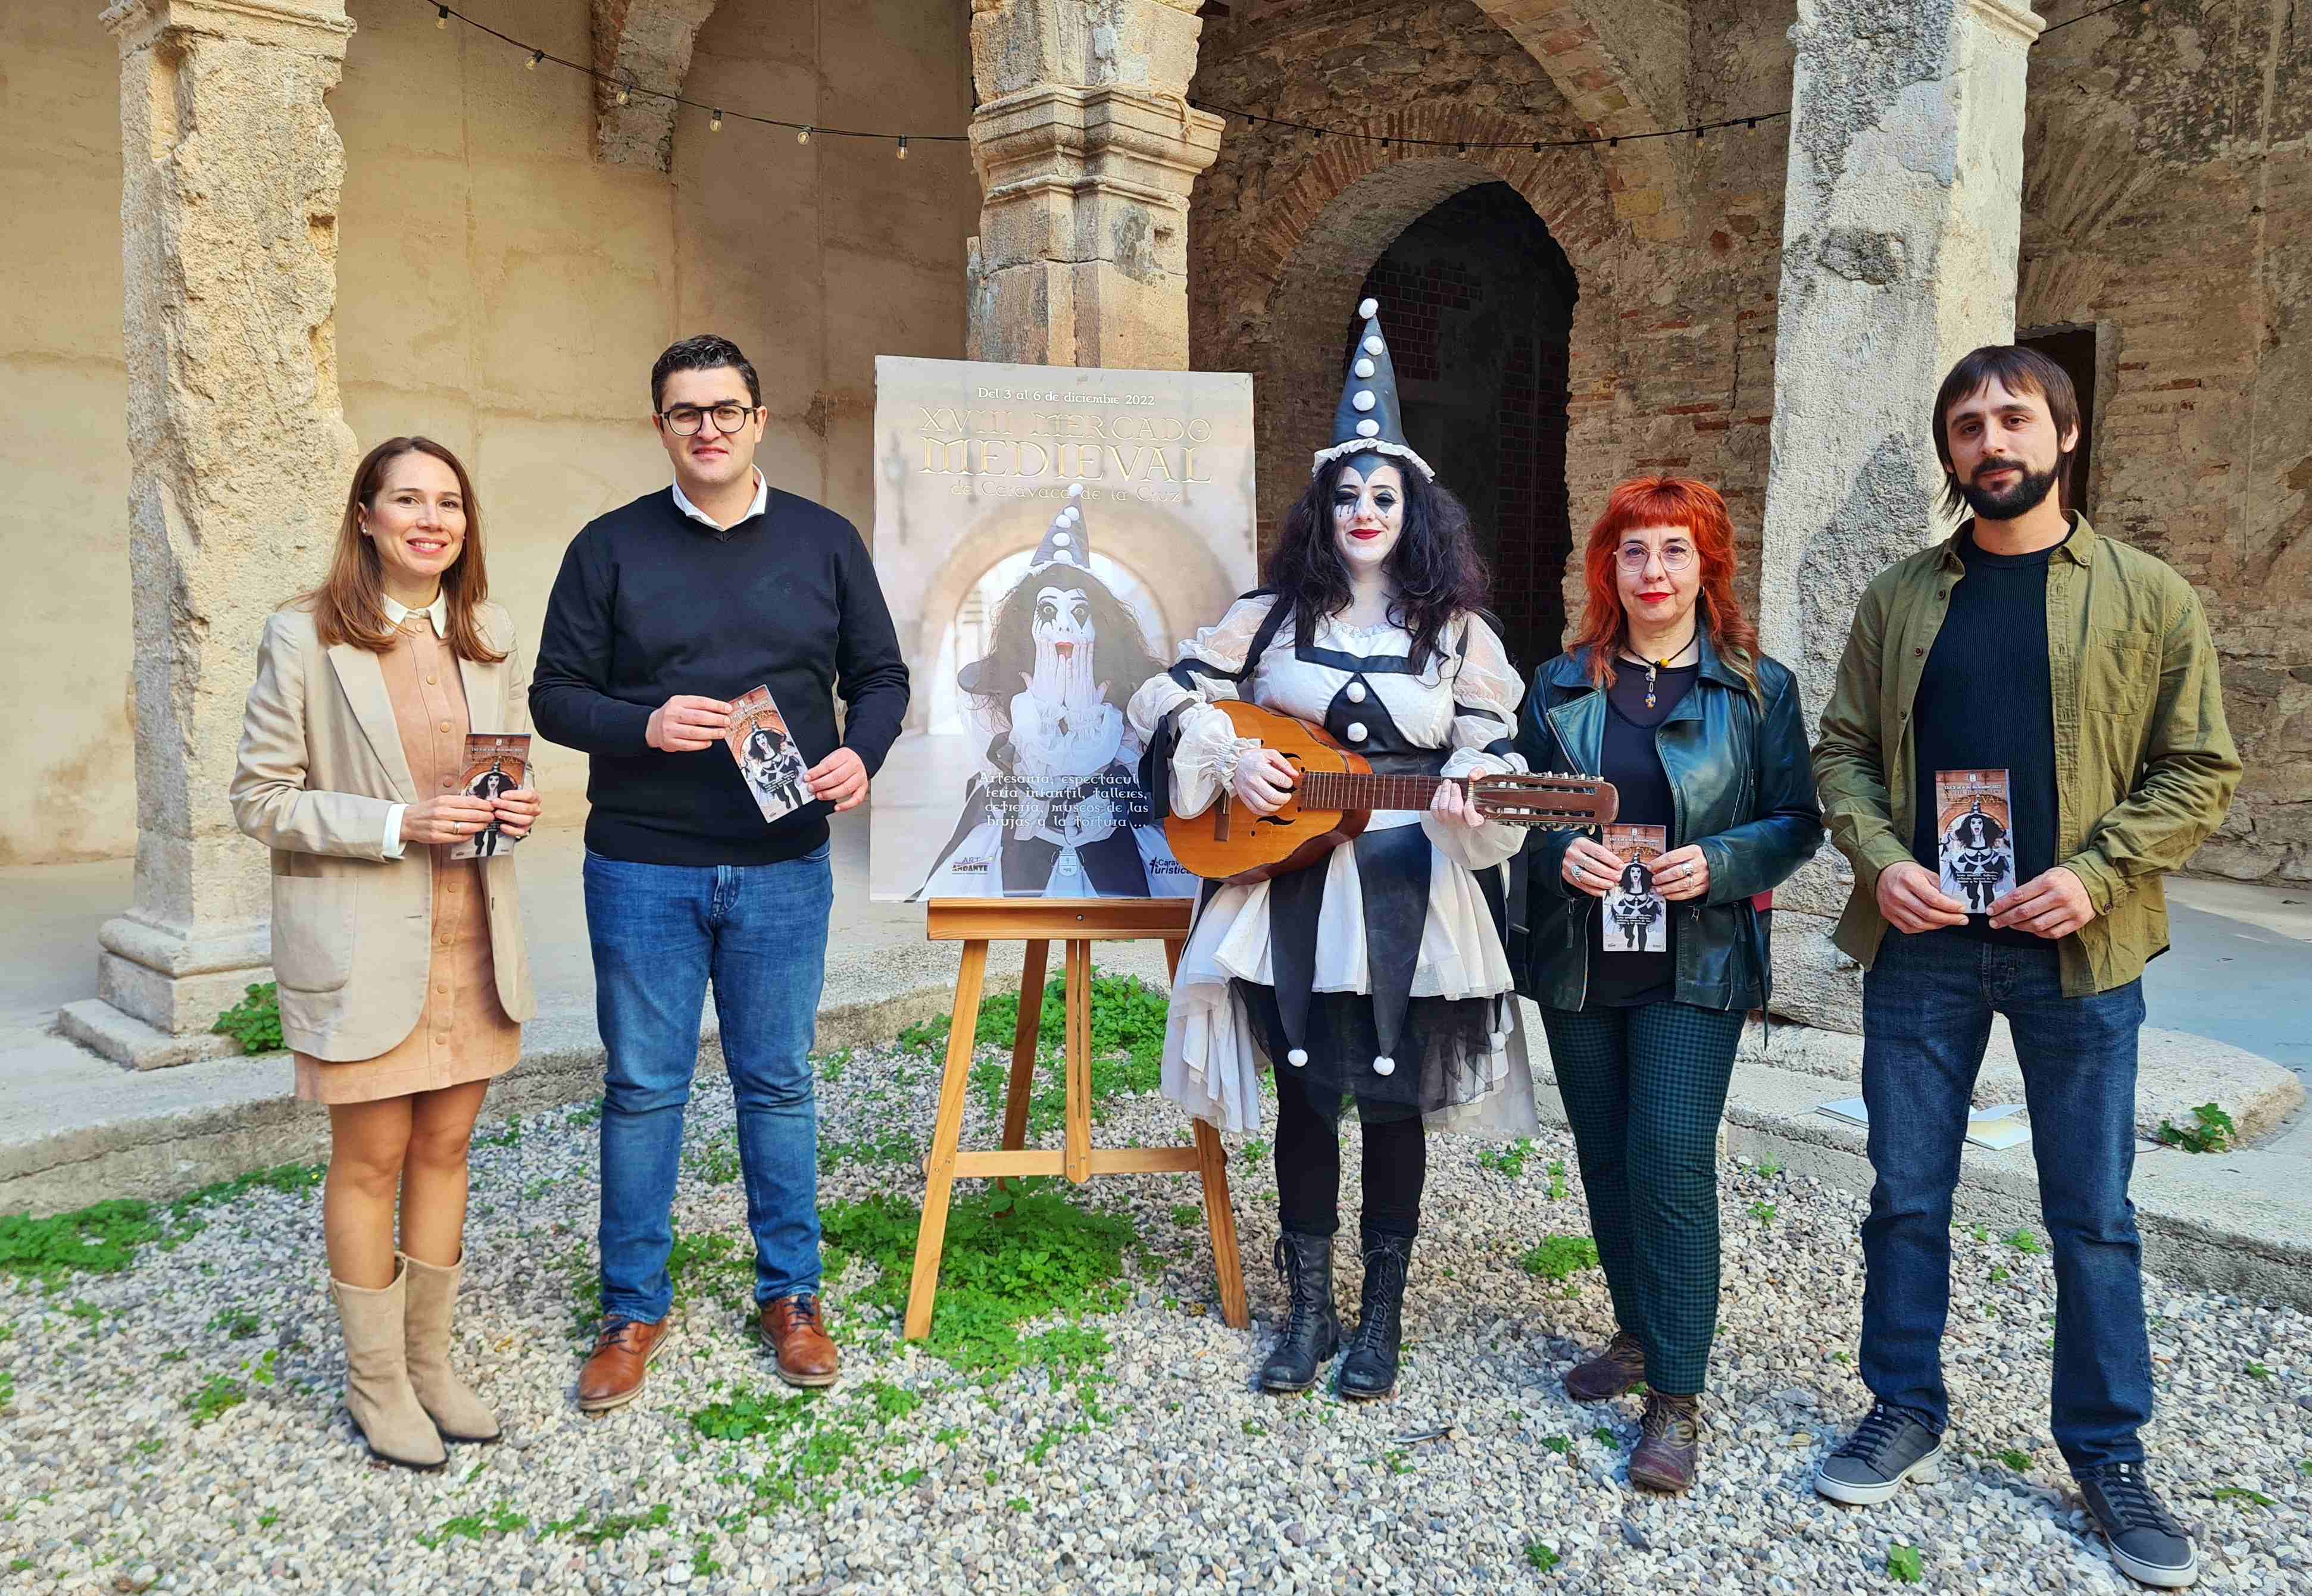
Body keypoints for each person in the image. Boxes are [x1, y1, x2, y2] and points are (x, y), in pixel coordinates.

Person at [1811, 346, 2240, 1589]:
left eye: (2011, 417)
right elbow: (1840, 751)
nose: (1988, 440)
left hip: (2079, 954)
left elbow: (2198, 768)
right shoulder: (1900, 597)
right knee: (1905, 1196)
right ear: (1949, 453)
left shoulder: (2150, 596)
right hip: (1926, 950)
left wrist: (2098, 871)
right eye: (1964, 424)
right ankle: (1903, 1402)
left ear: (2064, 435)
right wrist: (1882, 859)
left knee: (2093, 1219)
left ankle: (2105, 1454)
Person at [1127, 298, 1537, 1403]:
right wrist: (1225, 755)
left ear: (1415, 511)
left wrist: (1472, 789)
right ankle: (1305, 1313)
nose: (1363, 511)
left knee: (1393, 1094)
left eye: (1384, 495)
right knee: (1307, 1092)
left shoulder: (1454, 635)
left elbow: (1490, 743)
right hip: (1289, 886)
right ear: (1323, 509)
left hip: (1409, 887)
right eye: (1346, 495)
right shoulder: (1263, 620)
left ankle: (1381, 1319)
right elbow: (1160, 695)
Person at [531, 335, 908, 1410]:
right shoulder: (607, 549)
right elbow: (554, 696)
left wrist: (860, 751)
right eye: (684, 411)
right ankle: (631, 1307)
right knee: (645, 1087)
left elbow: (878, 675)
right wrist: (641, 721)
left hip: (783, 863)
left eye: (725, 409)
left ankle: (790, 1294)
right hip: (643, 863)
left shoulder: (823, 541)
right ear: (660, 426)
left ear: (758, 419)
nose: (706, 427)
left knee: (778, 1081)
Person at [230, 436, 541, 1470]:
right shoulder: (303, 636)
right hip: (365, 939)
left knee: (447, 1151)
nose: (430, 518)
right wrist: (397, 821)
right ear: (364, 515)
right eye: (406, 498)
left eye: (449, 501)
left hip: (472, 936)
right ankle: (375, 1384)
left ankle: (432, 1365)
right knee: (370, 1161)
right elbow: (258, 799)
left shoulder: (486, 634)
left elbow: (497, 774)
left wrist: (515, 808)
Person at [1511, 477, 1822, 1493]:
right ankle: (1637, 1337)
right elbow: (1513, 810)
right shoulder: (1557, 684)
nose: (1652, 571)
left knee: (1670, 1156)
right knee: (1605, 1156)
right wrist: (1560, 850)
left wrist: (1720, 862)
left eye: (1673, 552)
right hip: (1582, 957)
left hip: (1696, 958)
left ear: (1707, 567)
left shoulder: (1755, 688)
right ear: (1608, 567)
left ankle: (1676, 1401)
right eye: (1634, 551)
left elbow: (1793, 819)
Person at [913, 486, 1182, 900]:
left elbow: (1126, 769)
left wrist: (1084, 715)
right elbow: (1024, 774)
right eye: (1048, 612)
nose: (1064, 629)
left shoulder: (1132, 689)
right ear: (1029, 624)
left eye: (1078, 613)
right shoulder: (993, 691)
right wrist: (1039, 710)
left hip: (1112, 838)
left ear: (1100, 625)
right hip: (1021, 844)